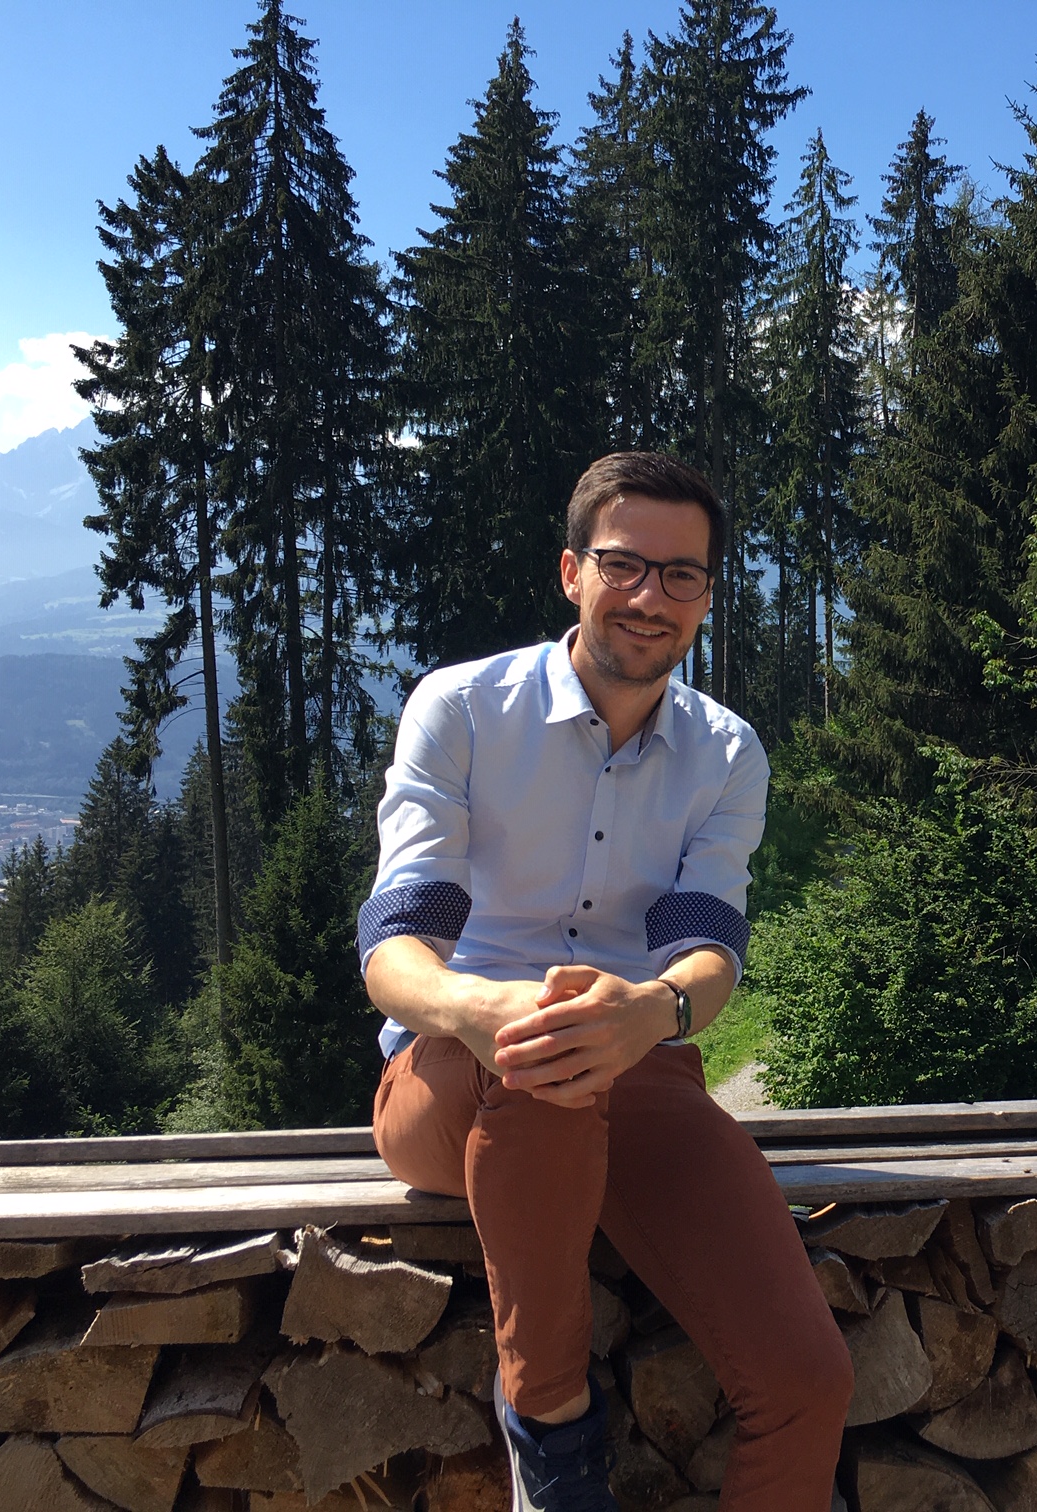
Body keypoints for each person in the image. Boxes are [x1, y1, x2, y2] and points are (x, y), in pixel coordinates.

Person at [358, 452, 853, 1512]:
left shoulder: (724, 751)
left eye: (684, 576)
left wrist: (657, 1011)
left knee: (807, 1384)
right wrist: (480, 1008)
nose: (652, 597)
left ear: (708, 597)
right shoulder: (463, 710)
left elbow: (708, 951)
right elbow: (398, 946)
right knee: (543, 1048)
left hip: (639, 1068)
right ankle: (552, 1430)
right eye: (627, 566)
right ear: (572, 571)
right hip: (447, 1080)